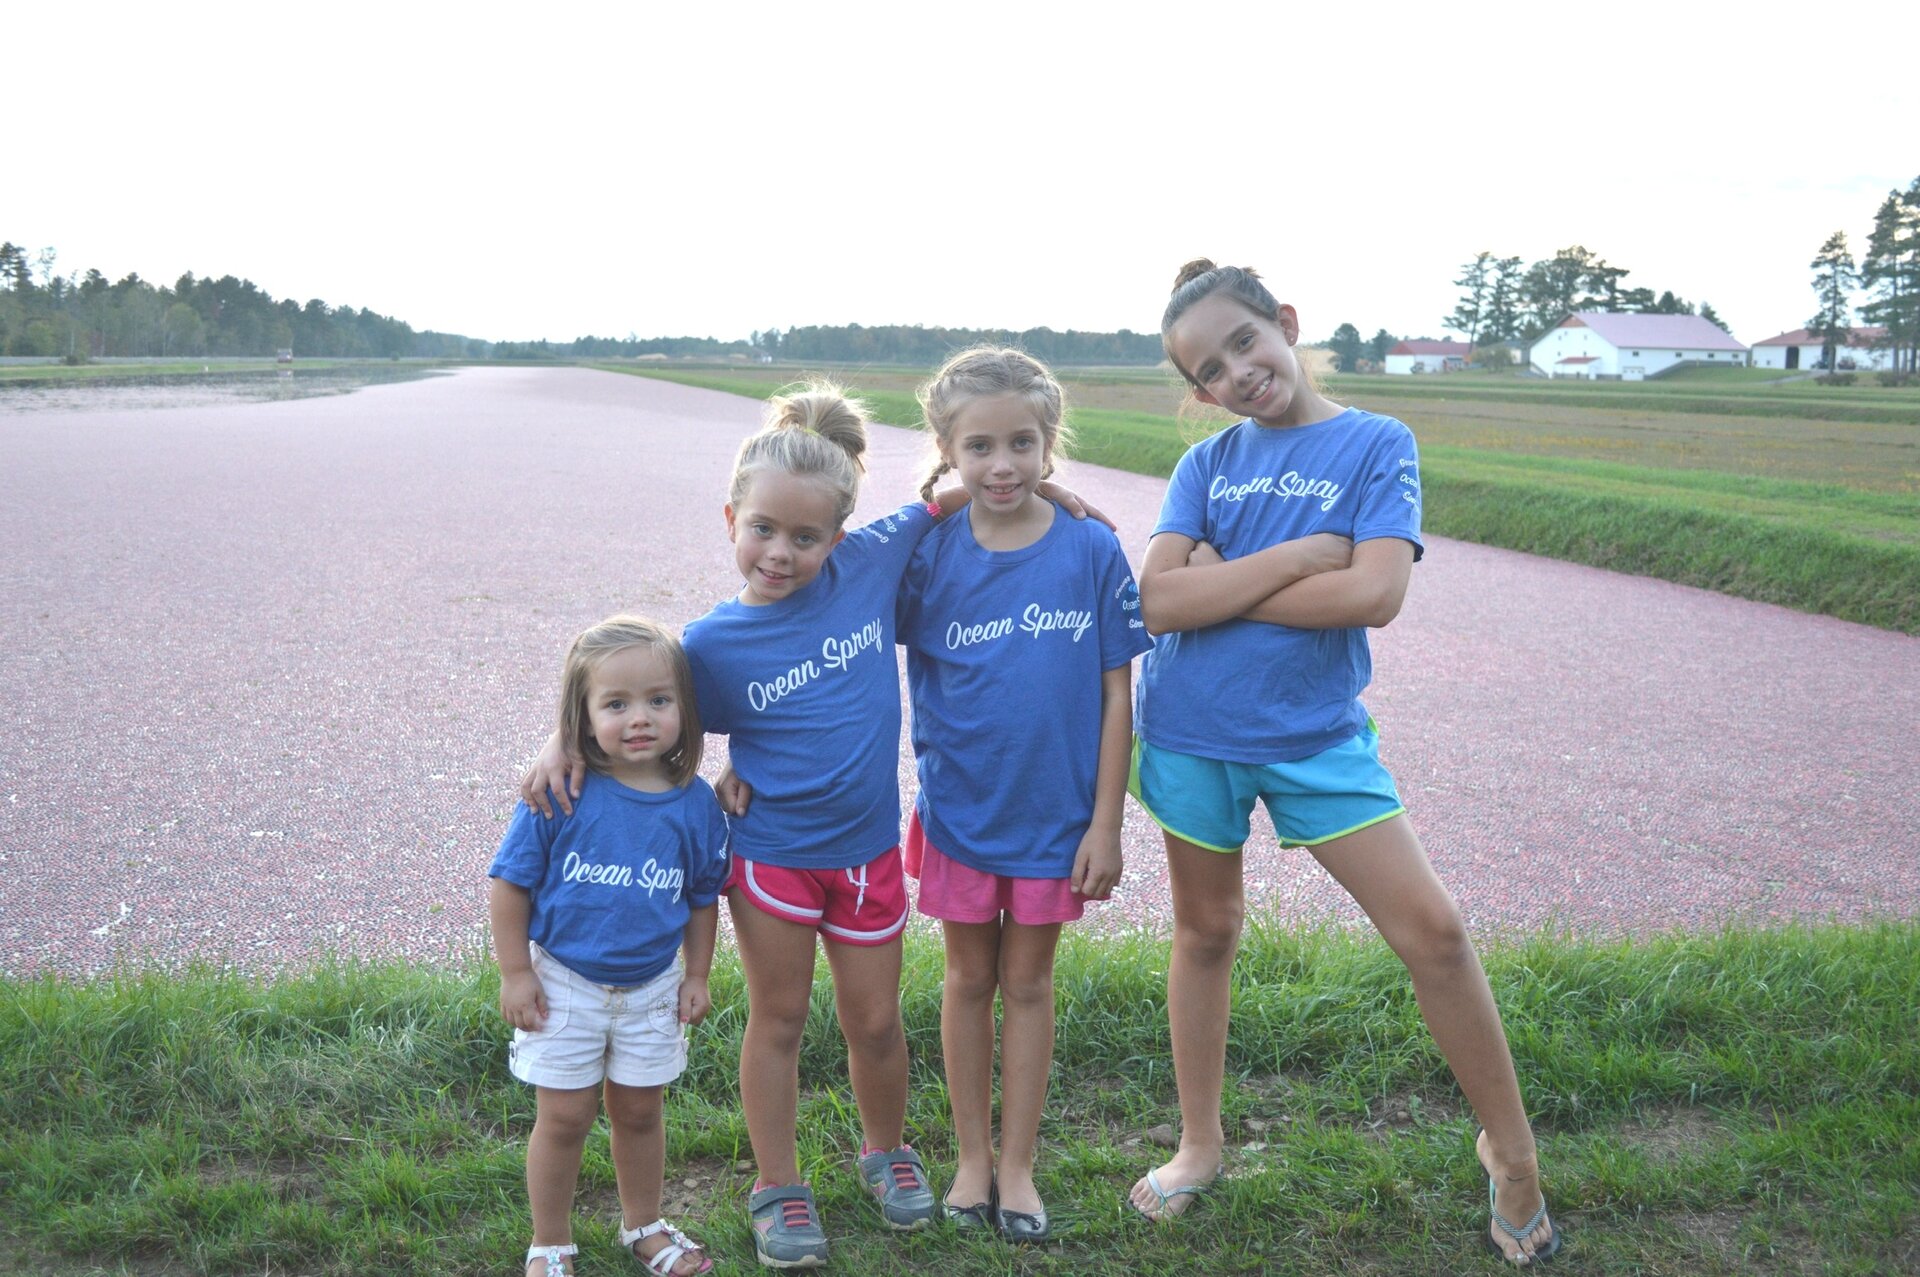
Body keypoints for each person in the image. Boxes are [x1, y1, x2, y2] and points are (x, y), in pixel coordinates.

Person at [521, 384, 1102, 1268]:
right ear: (730, 519)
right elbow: (632, 690)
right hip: (771, 863)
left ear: (840, 534)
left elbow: (965, 494)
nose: (780, 553)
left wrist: (1048, 489)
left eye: (805, 537)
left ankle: (886, 1149)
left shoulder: (872, 562)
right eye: (763, 530)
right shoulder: (709, 644)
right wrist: (565, 739)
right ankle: (777, 1183)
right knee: (779, 1019)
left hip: (866, 856)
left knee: (875, 1022)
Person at [1127, 260, 1561, 1266]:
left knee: (1437, 934)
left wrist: (1220, 580)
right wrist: (1295, 557)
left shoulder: (1375, 442)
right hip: (1191, 731)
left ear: (1283, 323)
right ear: (1199, 392)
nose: (1239, 371)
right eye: (1211, 367)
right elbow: (1155, 603)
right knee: (1205, 932)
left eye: (1245, 341)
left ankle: (1514, 1151)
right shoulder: (1208, 466)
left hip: (1320, 740)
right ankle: (1200, 1144)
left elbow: (1372, 595)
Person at [895, 348, 1153, 1243]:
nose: (1001, 463)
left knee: (1028, 983)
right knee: (968, 979)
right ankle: (971, 1158)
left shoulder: (1089, 546)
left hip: (1059, 822)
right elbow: (834, 606)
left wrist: (1106, 822)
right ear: (947, 450)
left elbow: (1120, 689)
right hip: (963, 813)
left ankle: (1018, 1166)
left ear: (1050, 444)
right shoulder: (926, 553)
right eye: (979, 446)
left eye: (1022, 442)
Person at [490, 615, 728, 1277]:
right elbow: (509, 885)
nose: (640, 717)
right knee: (564, 1115)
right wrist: (515, 972)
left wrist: (697, 973)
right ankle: (550, 1241)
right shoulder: (559, 793)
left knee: (640, 1110)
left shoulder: (694, 804)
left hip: (654, 985)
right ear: (582, 715)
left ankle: (644, 1226)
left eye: (659, 699)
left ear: (685, 707)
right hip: (565, 982)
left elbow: (703, 896)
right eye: (615, 703)